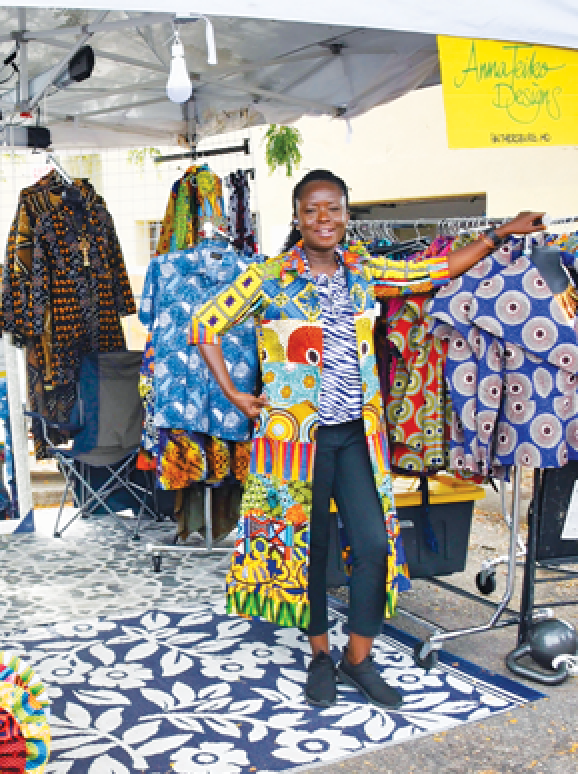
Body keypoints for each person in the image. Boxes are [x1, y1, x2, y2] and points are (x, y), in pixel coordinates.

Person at [191, 169, 545, 709]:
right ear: (297, 218)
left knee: (375, 545)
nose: (323, 219)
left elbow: (436, 269)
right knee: (306, 552)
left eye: (332, 208)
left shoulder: (363, 272)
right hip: (294, 440)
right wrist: (236, 395)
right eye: (312, 210)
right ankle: (318, 656)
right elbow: (204, 324)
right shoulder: (269, 277)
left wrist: (500, 234)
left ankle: (358, 657)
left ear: (346, 215)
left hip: (357, 433)